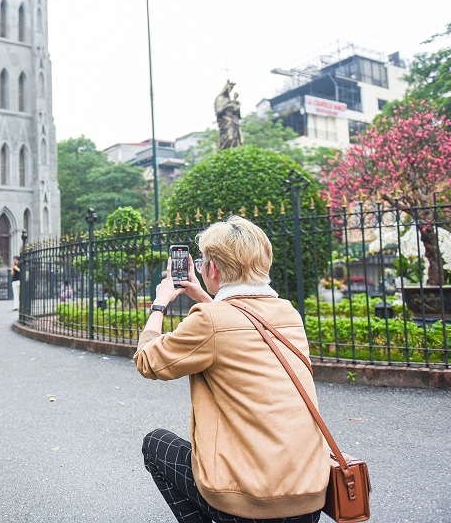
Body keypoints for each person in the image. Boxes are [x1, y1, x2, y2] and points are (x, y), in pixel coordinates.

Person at [134, 215, 328, 522]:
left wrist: (159, 304)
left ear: (212, 269)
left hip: (247, 504)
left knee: (155, 444)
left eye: (201, 263)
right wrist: (203, 296)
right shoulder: (289, 313)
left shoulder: (211, 321)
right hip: (309, 496)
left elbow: (147, 361)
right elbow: (237, 323)